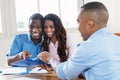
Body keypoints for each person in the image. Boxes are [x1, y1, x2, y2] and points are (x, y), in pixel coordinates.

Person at [56, 2, 120, 80]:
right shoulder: (117, 40)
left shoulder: (88, 46)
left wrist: (50, 59)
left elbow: (66, 74)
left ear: (90, 24)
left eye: (78, 22)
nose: (78, 28)